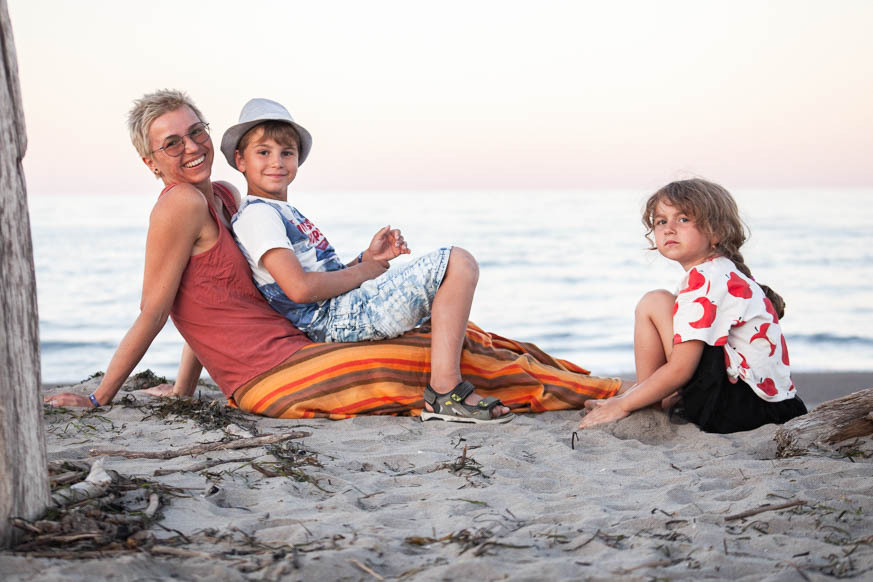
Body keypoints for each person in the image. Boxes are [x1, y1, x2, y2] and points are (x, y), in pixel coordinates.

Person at [45, 89, 621, 420]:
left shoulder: (221, 196)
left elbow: (209, 302)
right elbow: (156, 309)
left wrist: (184, 389)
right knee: (425, 363)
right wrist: (99, 397)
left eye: (197, 132)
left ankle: (602, 385)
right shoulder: (179, 205)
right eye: (172, 143)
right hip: (269, 374)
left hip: (296, 344)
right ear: (150, 162)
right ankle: (603, 394)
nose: (192, 147)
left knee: (456, 336)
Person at [222, 98, 513, 423]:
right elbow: (300, 289)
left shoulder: (279, 211)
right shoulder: (258, 216)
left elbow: (321, 277)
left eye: (286, 153)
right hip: (332, 322)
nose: (276, 162)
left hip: (339, 310)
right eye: (263, 152)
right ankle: (445, 392)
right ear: (240, 159)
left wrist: (367, 259)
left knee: (450, 277)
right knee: (458, 262)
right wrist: (366, 270)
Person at [579, 178, 806, 433]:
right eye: (661, 221)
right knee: (663, 304)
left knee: (654, 302)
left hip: (739, 410)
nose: (669, 229)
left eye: (683, 219)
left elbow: (680, 369)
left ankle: (648, 397)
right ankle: (650, 394)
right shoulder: (720, 272)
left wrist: (621, 405)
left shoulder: (706, 278)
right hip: (774, 406)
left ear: (717, 232)